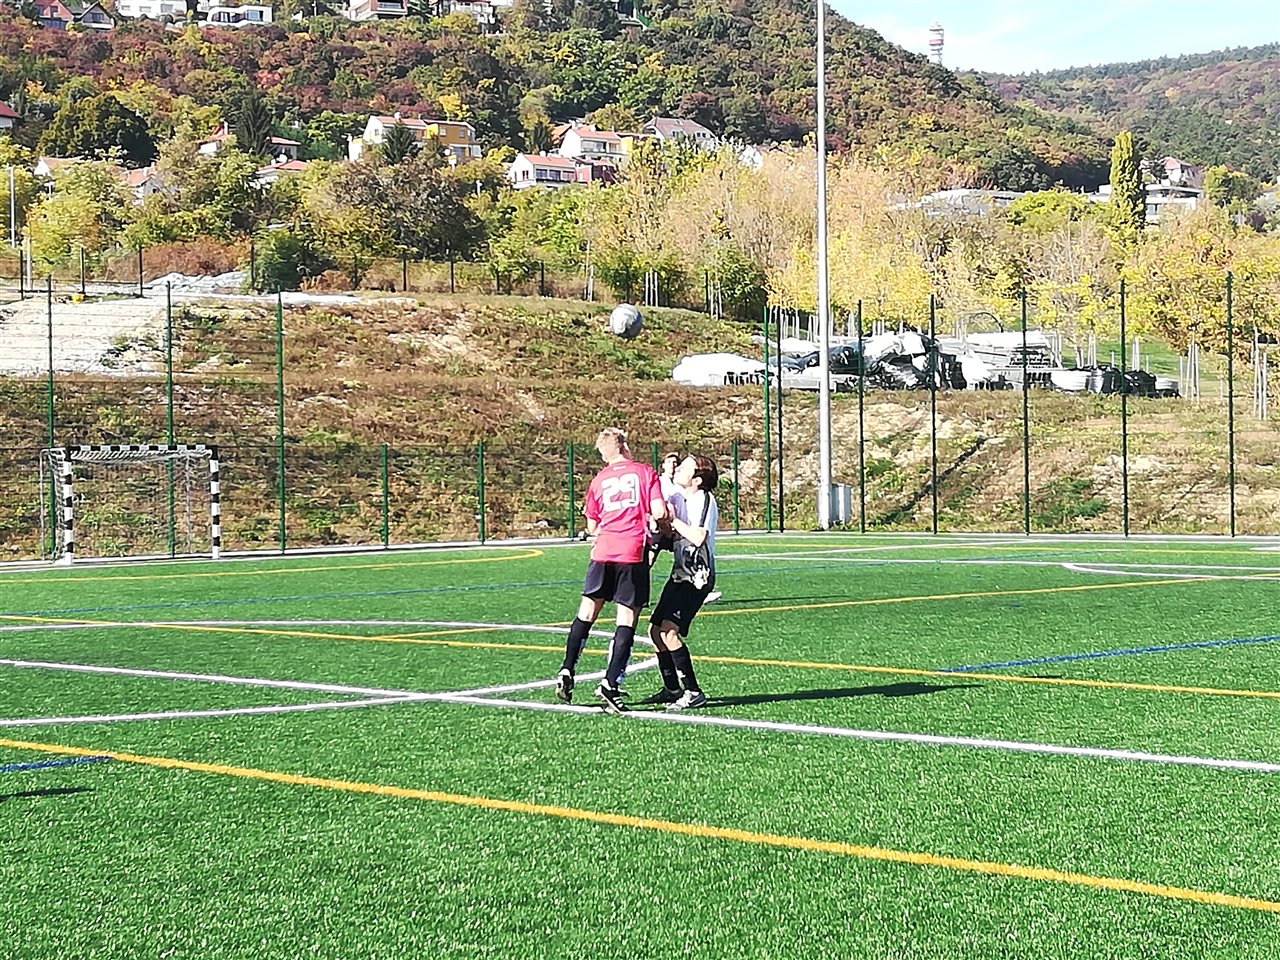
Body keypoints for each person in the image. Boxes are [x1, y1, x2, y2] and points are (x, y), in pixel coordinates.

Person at [555, 427, 666, 714]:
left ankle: (567, 668)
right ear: (624, 446)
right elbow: (659, 511)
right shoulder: (645, 472)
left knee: (586, 613)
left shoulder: (598, 480)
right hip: (631, 551)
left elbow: (592, 525)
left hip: (603, 551)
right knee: (626, 619)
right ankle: (610, 683)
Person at [640, 454, 719, 711]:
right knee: (655, 632)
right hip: (680, 574)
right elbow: (670, 532)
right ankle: (672, 689)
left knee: (668, 631)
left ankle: (693, 692)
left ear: (697, 479)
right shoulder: (679, 497)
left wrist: (673, 520)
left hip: (697, 577)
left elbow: (698, 537)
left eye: (685, 467)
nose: (678, 469)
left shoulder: (702, 499)